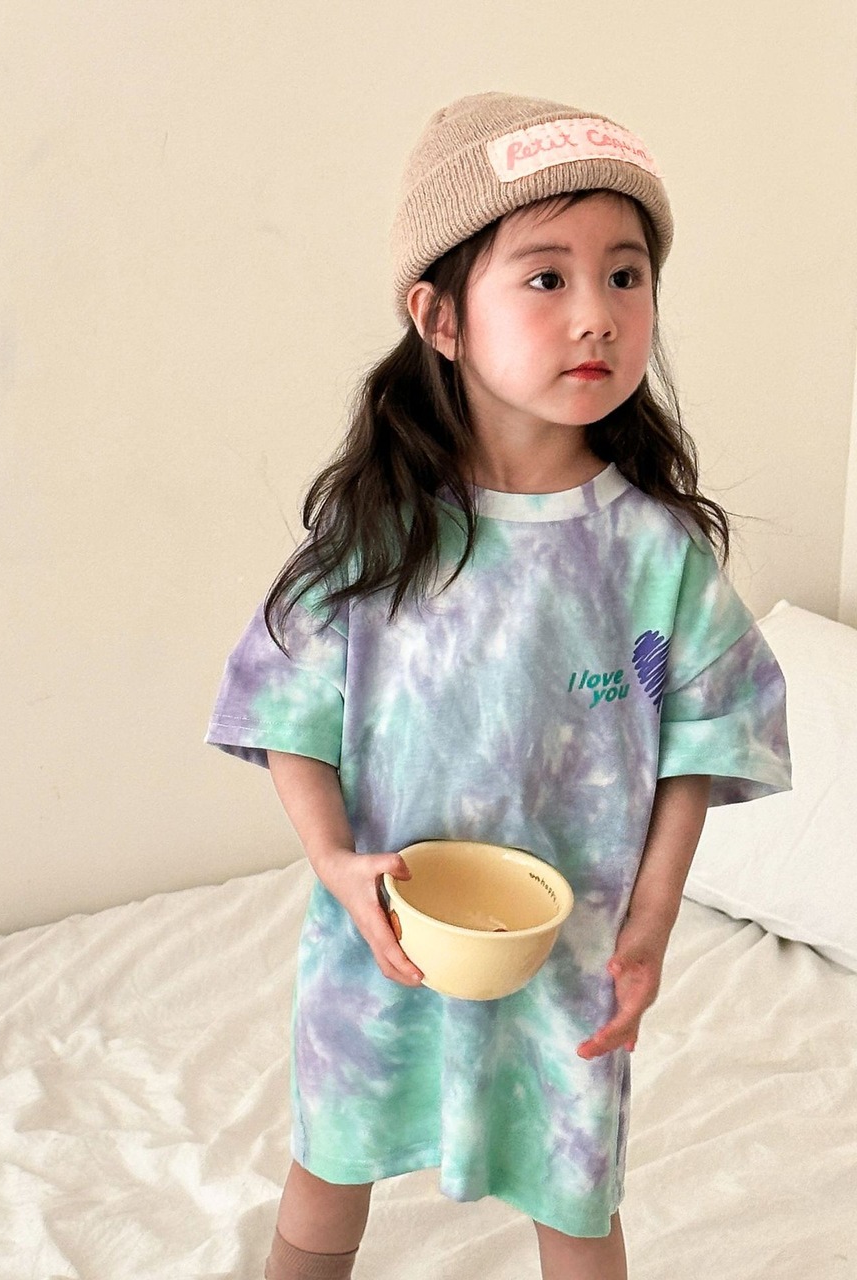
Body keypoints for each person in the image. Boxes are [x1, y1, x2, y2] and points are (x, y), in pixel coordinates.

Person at [203, 91, 792, 1280]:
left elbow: (698, 734)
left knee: (573, 1188)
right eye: (544, 277)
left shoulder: (653, 552)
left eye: (624, 275)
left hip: (570, 953)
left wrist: (649, 923)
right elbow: (285, 711)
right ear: (439, 315)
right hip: (382, 932)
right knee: (330, 1165)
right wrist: (334, 862)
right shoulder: (382, 533)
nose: (596, 313)